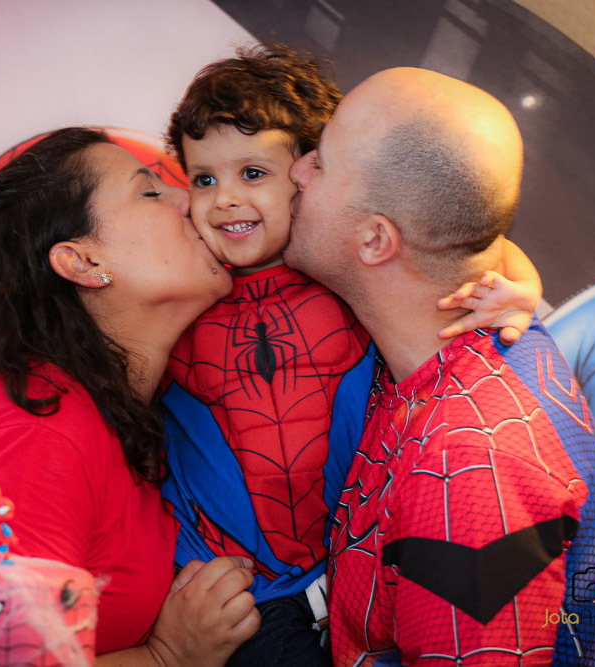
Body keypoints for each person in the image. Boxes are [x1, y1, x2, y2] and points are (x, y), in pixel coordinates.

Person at [161, 46, 545, 665]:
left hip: (344, 564)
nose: (224, 198)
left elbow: (463, 233)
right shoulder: (189, 274)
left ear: (307, 176)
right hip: (232, 583)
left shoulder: (330, 265)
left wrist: (522, 288)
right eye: (204, 180)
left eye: (252, 174)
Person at [0, 127, 260, 665]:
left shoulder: (122, 414)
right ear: (83, 263)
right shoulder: (33, 433)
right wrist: (168, 657)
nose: (188, 198)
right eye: (149, 191)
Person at [286, 67, 595, 665]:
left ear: (376, 241)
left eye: (322, 163)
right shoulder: (473, 321)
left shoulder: (469, 470)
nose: (297, 170)